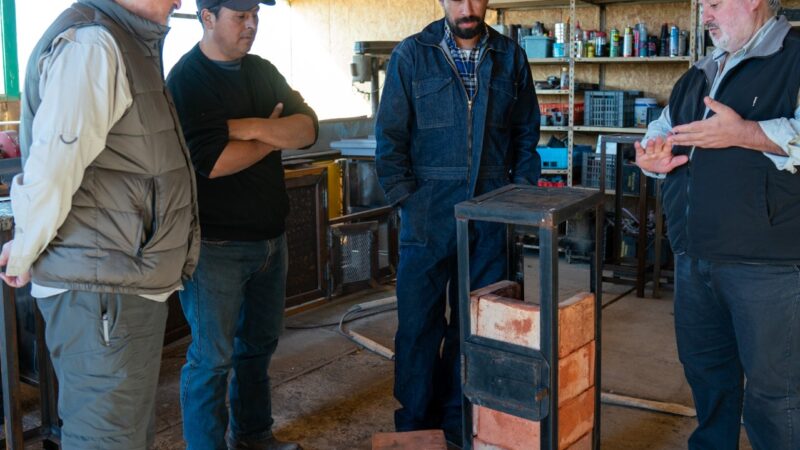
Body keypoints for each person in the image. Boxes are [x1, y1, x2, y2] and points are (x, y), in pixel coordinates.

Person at [0, 0, 200, 448]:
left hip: (117, 284)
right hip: (102, 293)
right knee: (108, 440)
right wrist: (26, 246)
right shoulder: (93, 43)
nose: (180, 2)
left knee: (125, 436)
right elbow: (53, 165)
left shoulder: (124, 40)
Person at [374, 0, 540, 445]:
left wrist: (516, 197)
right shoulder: (412, 54)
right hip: (428, 207)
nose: (467, 7)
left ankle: (460, 420)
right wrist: (406, 199)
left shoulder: (510, 56)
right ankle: (415, 427)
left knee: (476, 323)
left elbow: (527, 134)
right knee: (418, 323)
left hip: (490, 209)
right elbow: (389, 136)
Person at [635, 0, 800, 447]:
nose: (705, 14)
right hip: (694, 259)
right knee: (709, 382)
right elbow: (662, 128)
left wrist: (745, 133)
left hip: (768, 267)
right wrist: (652, 155)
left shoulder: (796, 59)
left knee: (776, 395)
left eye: (714, 3)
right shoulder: (699, 74)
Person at [166, 1, 318, 449]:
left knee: (258, 349)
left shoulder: (262, 70)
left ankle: (253, 437)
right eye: (240, 15)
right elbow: (212, 163)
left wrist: (246, 127)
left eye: (255, 14)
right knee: (211, 360)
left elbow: (307, 130)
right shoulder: (187, 80)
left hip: (271, 241)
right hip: (216, 247)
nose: (251, 24)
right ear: (207, 17)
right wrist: (272, 136)